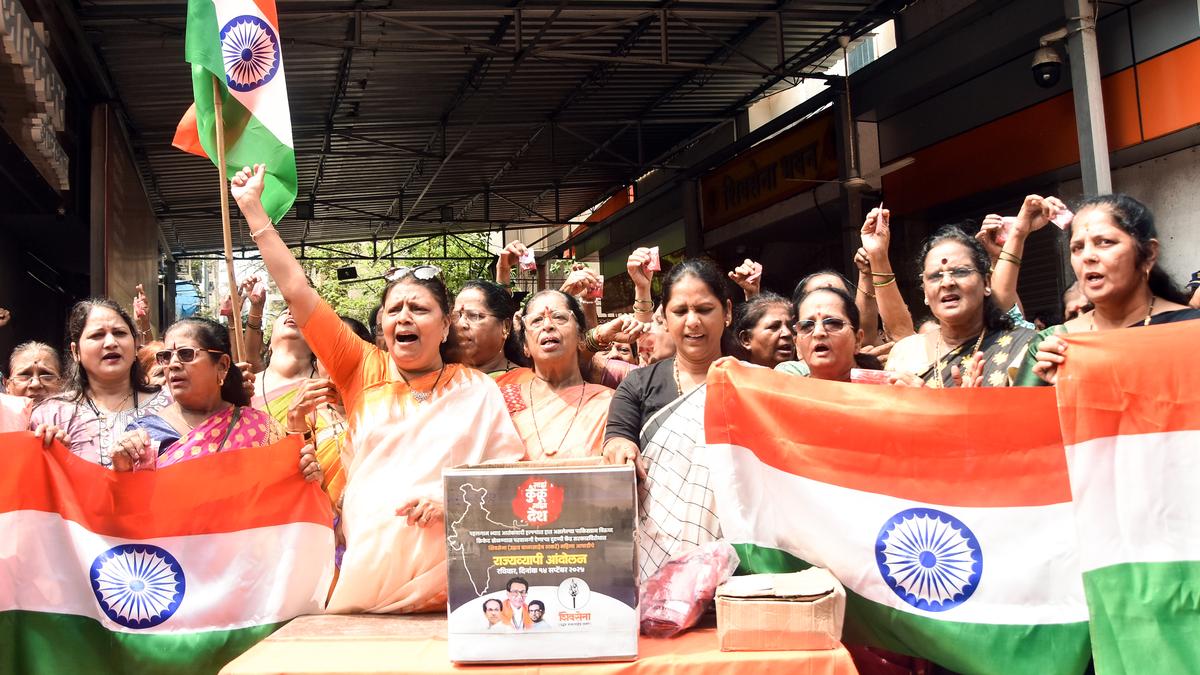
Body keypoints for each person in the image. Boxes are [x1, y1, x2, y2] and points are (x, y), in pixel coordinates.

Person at [232, 163, 524, 614]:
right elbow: (297, 290)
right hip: (367, 581)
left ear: (445, 325)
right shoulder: (361, 366)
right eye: (394, 309)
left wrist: (450, 502)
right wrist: (254, 211)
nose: (404, 316)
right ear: (383, 324)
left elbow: (507, 473)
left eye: (419, 309)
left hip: (459, 582)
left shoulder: (477, 388)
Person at [603, 258, 732, 580]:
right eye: (680, 311)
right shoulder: (637, 384)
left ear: (727, 312)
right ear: (665, 317)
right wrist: (621, 450)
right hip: (655, 555)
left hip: (736, 554)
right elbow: (617, 438)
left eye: (705, 309)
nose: (693, 322)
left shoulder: (753, 382)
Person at [1019, 194, 1199, 385]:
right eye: (1077, 248)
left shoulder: (1191, 331)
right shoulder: (1053, 345)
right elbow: (1020, 405)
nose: (1087, 256)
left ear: (1149, 253)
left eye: (1105, 242)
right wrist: (1056, 390)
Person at [109, 319, 313, 475]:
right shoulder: (145, 434)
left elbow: (285, 494)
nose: (173, 364)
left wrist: (307, 472)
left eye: (186, 354)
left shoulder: (260, 428)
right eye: (166, 356)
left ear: (222, 365)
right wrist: (121, 469)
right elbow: (127, 505)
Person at [882, 222, 1035, 388]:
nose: (947, 282)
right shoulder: (906, 352)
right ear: (925, 292)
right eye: (935, 276)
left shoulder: (1024, 346)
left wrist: (939, 402)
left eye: (961, 272)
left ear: (986, 283)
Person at [29, 299, 170, 467]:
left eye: (119, 333)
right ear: (76, 351)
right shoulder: (50, 416)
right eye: (97, 335)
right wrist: (51, 455)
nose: (111, 343)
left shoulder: (171, 405)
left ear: (136, 345)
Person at [252, 306, 349, 506]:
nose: (291, 313)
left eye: (299, 313)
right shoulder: (243, 387)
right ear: (268, 344)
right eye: (284, 312)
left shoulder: (328, 392)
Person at [504, 291, 613, 460]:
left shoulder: (609, 402)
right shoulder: (501, 402)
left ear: (581, 337)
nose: (547, 325)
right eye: (537, 320)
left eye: (559, 317)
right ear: (525, 345)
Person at [777, 287, 881, 381]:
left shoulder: (882, 389)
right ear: (797, 346)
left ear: (857, 340)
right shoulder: (785, 391)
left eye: (833, 323)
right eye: (807, 326)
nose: (818, 332)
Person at [451, 279, 531, 386]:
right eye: (456, 316)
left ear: (506, 327)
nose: (460, 324)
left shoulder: (527, 383)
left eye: (474, 315)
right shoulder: (441, 379)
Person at [731, 292, 795, 368]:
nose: (787, 333)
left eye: (791, 327)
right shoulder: (728, 374)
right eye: (774, 327)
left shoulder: (805, 373)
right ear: (746, 339)